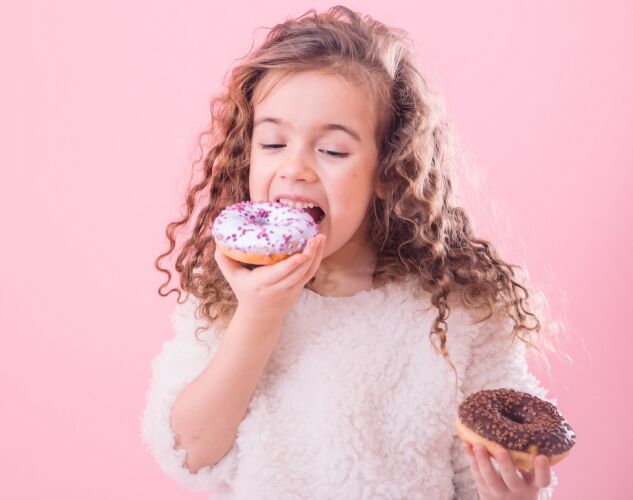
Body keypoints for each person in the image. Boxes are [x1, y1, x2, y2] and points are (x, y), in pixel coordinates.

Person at [141, 6, 563, 499]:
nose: (294, 168)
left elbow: (483, 471)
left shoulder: (459, 310)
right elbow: (188, 452)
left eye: (333, 151)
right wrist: (257, 319)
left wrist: (513, 492)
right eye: (273, 142)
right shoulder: (226, 294)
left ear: (389, 171)